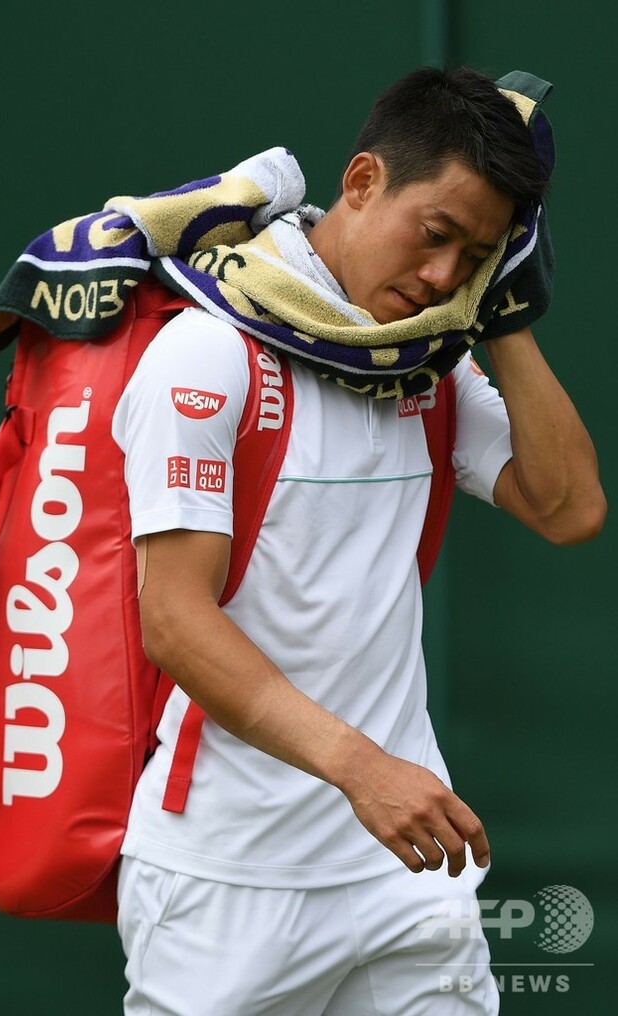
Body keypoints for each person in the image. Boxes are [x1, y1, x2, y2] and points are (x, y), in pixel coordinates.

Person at [110, 66, 606, 1015]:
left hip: (406, 870)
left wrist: (506, 316)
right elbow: (173, 620)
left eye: (477, 256)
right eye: (436, 234)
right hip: (227, 879)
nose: (443, 276)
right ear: (365, 180)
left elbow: (569, 507)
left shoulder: (429, 360)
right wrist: (363, 771)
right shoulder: (208, 353)